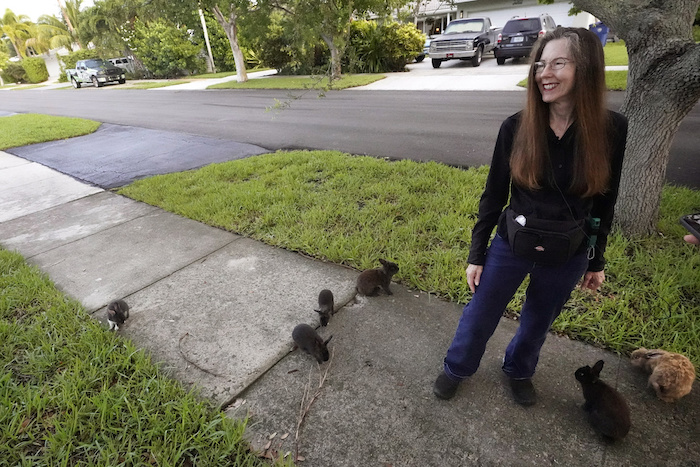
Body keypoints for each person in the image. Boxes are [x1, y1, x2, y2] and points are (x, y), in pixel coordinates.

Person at [433, 27, 628, 406]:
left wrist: (596, 259)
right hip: (513, 242)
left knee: (538, 321)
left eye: (558, 63)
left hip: (568, 251)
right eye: (540, 64)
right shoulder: (516, 126)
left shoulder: (611, 129)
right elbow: (493, 195)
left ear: (586, 69)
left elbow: (605, 201)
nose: (544, 73)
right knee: (481, 313)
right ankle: (457, 367)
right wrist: (477, 254)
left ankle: (519, 370)